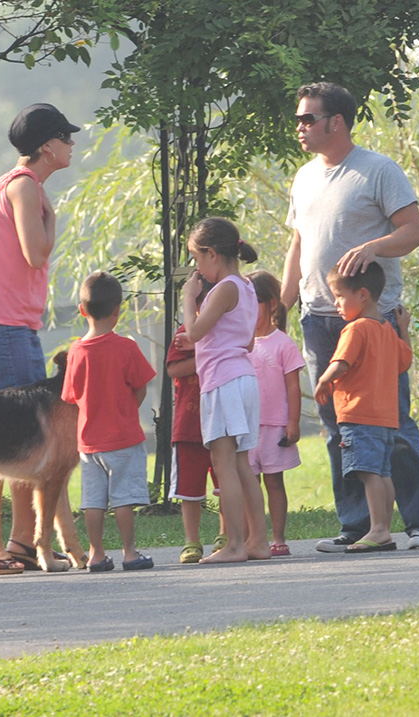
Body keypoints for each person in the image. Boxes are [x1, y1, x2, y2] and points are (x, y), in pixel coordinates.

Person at [282, 81, 419, 551]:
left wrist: (373, 246)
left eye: (308, 118)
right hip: (319, 318)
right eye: (299, 118)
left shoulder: (378, 171)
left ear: (337, 122)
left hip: (372, 322)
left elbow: (414, 231)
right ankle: (358, 526)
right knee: (338, 427)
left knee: (392, 423)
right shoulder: (304, 176)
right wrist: (282, 305)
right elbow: (298, 245)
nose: (300, 127)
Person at [0, 102, 80, 575]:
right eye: (66, 138)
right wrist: (53, 224)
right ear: (47, 147)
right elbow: (36, 253)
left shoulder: (8, 183)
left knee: (27, 438)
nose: (72, 145)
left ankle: (21, 543)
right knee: (0, 437)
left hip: (8, 324)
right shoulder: (26, 188)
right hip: (2, 326)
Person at [181, 217, 271, 564]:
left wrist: (190, 299)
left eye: (197, 258)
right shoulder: (247, 287)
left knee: (224, 464)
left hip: (223, 382)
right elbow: (246, 340)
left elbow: (195, 332)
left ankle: (234, 544)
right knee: (241, 463)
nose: (197, 268)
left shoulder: (224, 289)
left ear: (211, 254)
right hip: (243, 378)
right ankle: (257, 542)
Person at [314, 263, 413, 553]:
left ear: (363, 295)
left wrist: (323, 380)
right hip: (385, 417)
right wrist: (403, 329)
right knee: (382, 473)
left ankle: (378, 529)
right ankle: (383, 528)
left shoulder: (355, 329)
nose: (336, 304)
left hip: (358, 414)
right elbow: (403, 362)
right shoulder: (386, 330)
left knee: (367, 472)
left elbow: (341, 363)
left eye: (339, 296)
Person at [62, 271, 156, 572]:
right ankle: (130, 552)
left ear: (82, 310)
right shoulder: (126, 348)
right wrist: (128, 408)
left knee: (93, 499)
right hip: (124, 438)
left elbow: (72, 395)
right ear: (118, 310)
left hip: (89, 442)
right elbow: (141, 385)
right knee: (124, 498)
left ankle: (96, 554)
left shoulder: (75, 352)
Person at [167, 279, 226, 563]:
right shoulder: (182, 334)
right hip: (189, 427)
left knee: (226, 482)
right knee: (189, 492)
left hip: (222, 422)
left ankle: (225, 534)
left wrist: (200, 351)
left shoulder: (225, 334)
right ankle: (192, 541)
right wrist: (204, 354)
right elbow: (174, 369)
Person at [246, 270, 305, 557]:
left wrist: (292, 422)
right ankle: (252, 536)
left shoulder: (283, 343)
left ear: (271, 304)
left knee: (274, 482)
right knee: (249, 483)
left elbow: (293, 387)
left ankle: (278, 536)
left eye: (253, 302)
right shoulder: (239, 342)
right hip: (245, 427)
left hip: (274, 427)